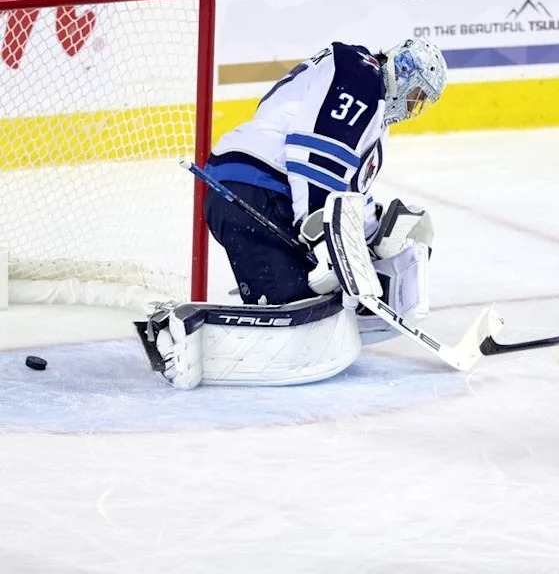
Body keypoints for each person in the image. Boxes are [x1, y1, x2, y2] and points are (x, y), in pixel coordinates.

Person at [135, 38, 446, 390]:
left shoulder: (371, 114)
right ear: (403, 72)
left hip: (262, 190)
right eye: (416, 95)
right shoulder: (360, 74)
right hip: (252, 190)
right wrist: (317, 227)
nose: (411, 107)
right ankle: (174, 329)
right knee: (301, 311)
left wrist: (380, 231)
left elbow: (345, 192)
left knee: (317, 306)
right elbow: (314, 154)